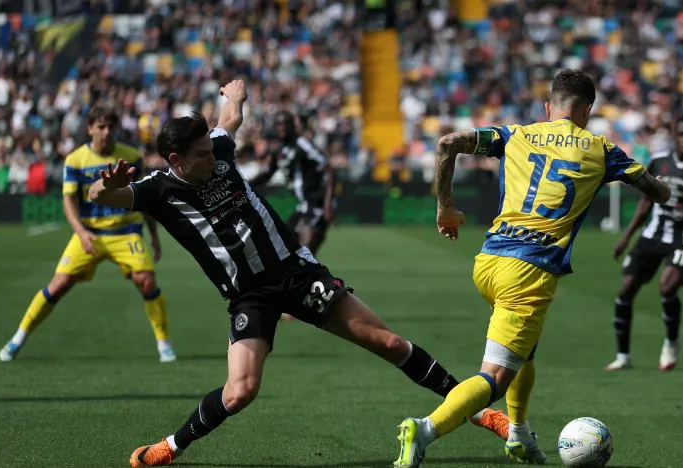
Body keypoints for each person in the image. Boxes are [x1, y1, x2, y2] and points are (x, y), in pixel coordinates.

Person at [86, 80, 510, 467]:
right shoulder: (159, 189)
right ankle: (170, 447)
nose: (212, 158)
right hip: (248, 296)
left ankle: (479, 411)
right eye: (201, 155)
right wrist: (108, 184)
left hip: (297, 273)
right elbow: (97, 194)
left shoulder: (217, 150)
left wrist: (234, 96)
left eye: (211, 149)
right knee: (240, 391)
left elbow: (229, 120)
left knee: (389, 342)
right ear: (176, 160)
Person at [391, 69, 672, 468]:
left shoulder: (516, 134)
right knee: (494, 378)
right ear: (588, 110)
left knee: (525, 351)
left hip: (489, 261)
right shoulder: (602, 149)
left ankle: (519, 434)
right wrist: (664, 184)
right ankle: (424, 429)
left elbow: (447, 143)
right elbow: (658, 193)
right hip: (529, 271)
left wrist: (445, 207)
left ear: (548, 107)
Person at [0, 104, 175, 363]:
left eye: (111, 127)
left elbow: (143, 199)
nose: (106, 132)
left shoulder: (131, 157)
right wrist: (81, 233)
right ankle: (18, 338)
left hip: (125, 232)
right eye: (100, 126)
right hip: (89, 232)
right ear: (90, 128)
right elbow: (68, 200)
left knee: (147, 281)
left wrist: (154, 236)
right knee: (58, 285)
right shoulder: (75, 159)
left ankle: (164, 343)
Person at [606, 114, 683, 372]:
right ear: (674, 134)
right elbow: (646, 202)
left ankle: (671, 342)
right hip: (653, 235)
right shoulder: (658, 161)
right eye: (681, 134)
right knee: (625, 292)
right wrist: (626, 238)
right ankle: (623, 356)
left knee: (667, 288)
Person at [251, 110, 335, 256]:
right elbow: (268, 173)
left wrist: (328, 204)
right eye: (279, 124)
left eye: (286, 124)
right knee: (284, 248)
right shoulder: (280, 149)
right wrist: (243, 184)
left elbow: (329, 171)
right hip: (302, 207)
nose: (282, 127)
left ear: (294, 126)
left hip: (316, 205)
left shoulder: (302, 144)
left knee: (306, 254)